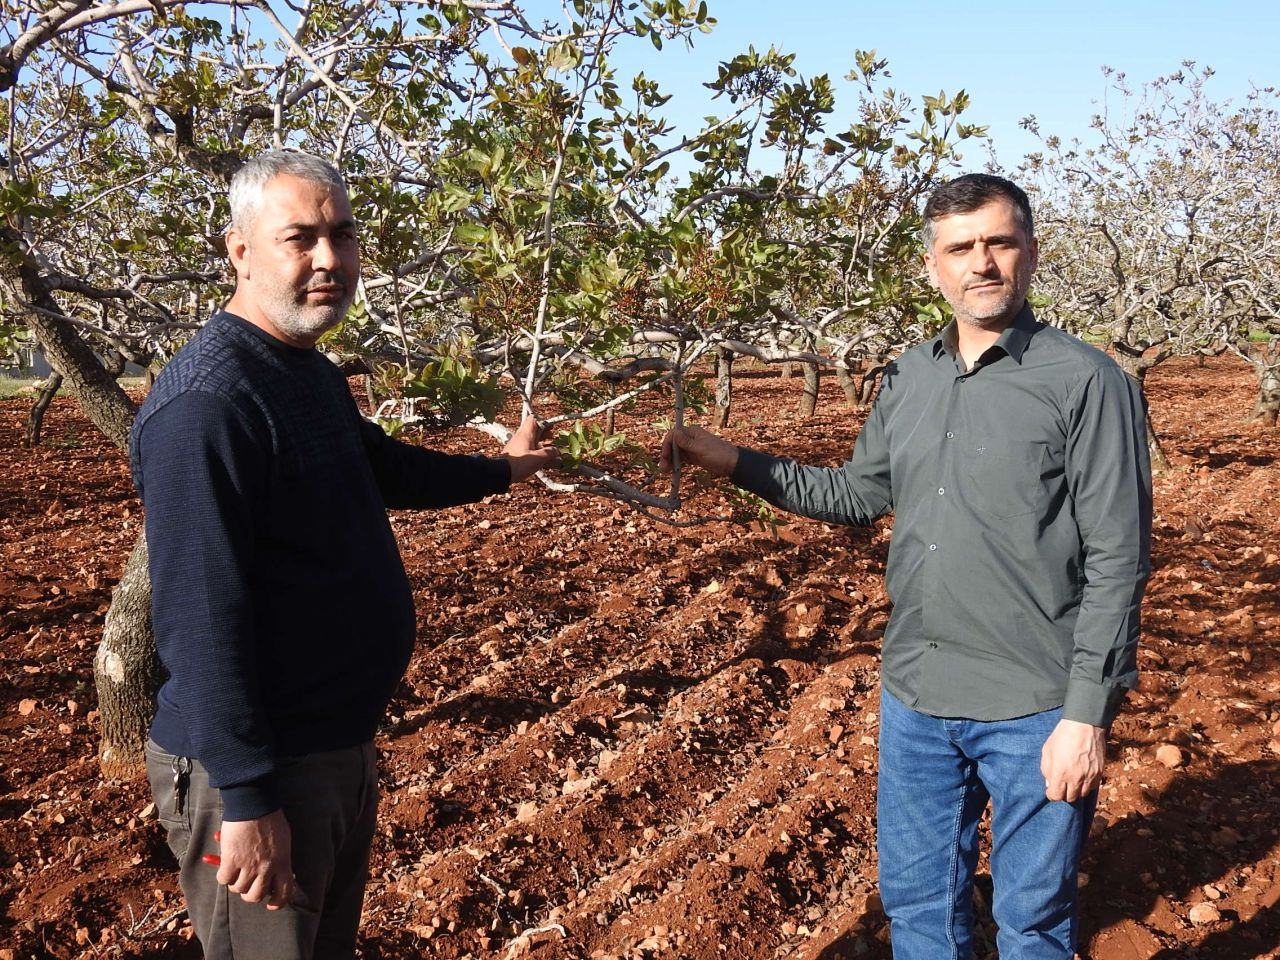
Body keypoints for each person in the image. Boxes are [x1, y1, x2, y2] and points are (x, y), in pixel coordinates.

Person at [660, 173, 1151, 959]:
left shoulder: (1087, 383)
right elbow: (857, 495)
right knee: (920, 910)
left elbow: (1119, 557)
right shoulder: (908, 375)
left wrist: (1086, 715)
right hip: (917, 696)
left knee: (1033, 924)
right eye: (961, 247)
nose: (981, 263)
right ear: (933, 266)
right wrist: (731, 460)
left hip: (1035, 704)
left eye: (999, 242)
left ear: (1031, 253)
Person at [129, 150, 556, 959]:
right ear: (240, 251)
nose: (330, 260)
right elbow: (199, 620)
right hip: (259, 776)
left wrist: (504, 471)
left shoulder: (299, 369)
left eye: (343, 235)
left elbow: (382, 465)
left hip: (329, 750)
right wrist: (250, 802)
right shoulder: (207, 408)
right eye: (301, 238)